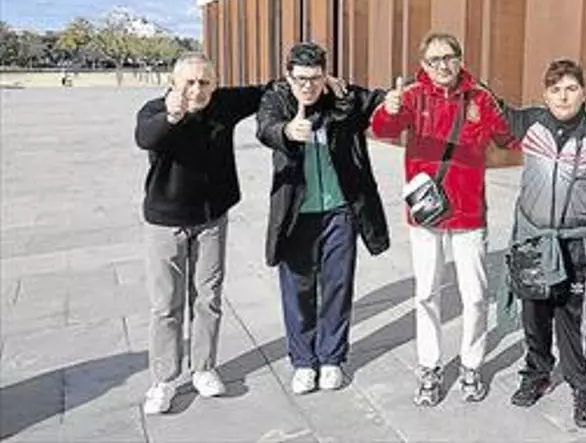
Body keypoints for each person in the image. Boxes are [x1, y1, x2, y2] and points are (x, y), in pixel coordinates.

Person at [371, 31, 516, 406]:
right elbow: (383, 130)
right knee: (426, 294)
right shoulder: (412, 96)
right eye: (434, 60)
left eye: (449, 57)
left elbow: (505, 138)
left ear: (460, 58)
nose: (442, 65)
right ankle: (430, 366)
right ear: (423, 65)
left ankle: (471, 364)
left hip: (469, 212)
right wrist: (388, 109)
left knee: (476, 296)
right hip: (426, 212)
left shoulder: (479, 97)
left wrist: (499, 114)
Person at [499, 58, 586, 428]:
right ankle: (537, 374)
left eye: (571, 88)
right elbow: (489, 107)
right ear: (545, 95)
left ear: (584, 93)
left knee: (575, 319)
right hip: (534, 240)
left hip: (579, 243)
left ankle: (583, 388)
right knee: (534, 315)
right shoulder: (530, 121)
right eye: (556, 89)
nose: (563, 96)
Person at [134, 53, 266, 414]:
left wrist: (320, 83)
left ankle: (204, 368)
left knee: (208, 297)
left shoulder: (222, 104)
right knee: (166, 304)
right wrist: (172, 116)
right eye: (189, 82)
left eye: (205, 82)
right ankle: (164, 379)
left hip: (210, 219)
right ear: (173, 84)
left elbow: (267, 91)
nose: (197, 90)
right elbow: (145, 137)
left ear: (215, 83)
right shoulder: (155, 111)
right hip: (165, 221)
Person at [255, 42, 390, 395]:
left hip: (340, 212)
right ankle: (303, 361)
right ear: (288, 76)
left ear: (325, 74)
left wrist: (391, 102)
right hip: (296, 213)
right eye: (301, 79)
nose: (308, 86)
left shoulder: (340, 95)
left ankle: (331, 358)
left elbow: (377, 100)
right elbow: (265, 127)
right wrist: (287, 132)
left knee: (337, 286)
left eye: (315, 78)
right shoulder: (276, 98)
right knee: (297, 289)